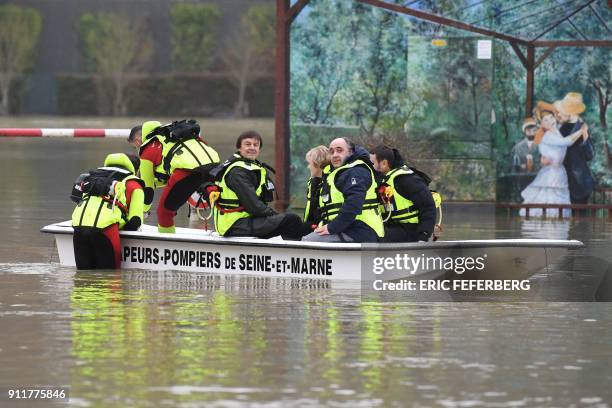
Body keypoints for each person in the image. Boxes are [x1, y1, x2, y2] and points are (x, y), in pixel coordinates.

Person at [213, 130, 303, 240]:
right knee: (291, 220)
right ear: (239, 148)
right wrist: (276, 215)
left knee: (298, 223)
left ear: (259, 149)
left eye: (256, 145)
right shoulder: (237, 172)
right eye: (247, 144)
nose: (252, 147)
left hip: (246, 219)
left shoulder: (249, 167)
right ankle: (292, 256)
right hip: (234, 225)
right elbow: (254, 206)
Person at [139, 119, 220, 233]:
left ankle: (168, 245)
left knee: (164, 213)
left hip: (187, 172)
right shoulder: (173, 138)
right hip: (214, 166)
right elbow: (166, 180)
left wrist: (142, 213)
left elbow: (147, 190)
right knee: (222, 201)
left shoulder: (148, 150)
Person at [302, 137, 384, 243]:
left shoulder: (356, 171)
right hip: (347, 229)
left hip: (361, 231)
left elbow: (353, 205)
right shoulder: (337, 173)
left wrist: (331, 227)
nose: (335, 154)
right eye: (331, 152)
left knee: (308, 242)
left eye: (339, 150)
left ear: (350, 152)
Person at [71, 153, 145, 270]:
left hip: (78, 228)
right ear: (135, 169)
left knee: (82, 279)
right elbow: (135, 221)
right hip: (106, 231)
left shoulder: (91, 178)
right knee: (109, 279)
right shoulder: (134, 184)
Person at [520, 110, 588, 217]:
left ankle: (558, 229)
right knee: (549, 200)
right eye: (545, 120)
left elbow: (569, 123)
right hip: (550, 173)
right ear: (541, 124)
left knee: (560, 201)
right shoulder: (547, 136)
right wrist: (581, 131)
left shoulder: (556, 131)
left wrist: (579, 122)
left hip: (559, 171)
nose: (550, 121)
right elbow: (567, 142)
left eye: (551, 117)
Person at [370, 145, 436, 242]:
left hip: (410, 230)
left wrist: (423, 236)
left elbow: (428, 207)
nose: (370, 166)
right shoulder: (380, 180)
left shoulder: (407, 180)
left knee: (375, 238)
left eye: (372, 163)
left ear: (384, 163)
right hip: (391, 226)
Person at [555, 92, 595, 206]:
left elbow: (590, 155)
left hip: (578, 181)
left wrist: (585, 135)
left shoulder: (582, 127)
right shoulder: (562, 128)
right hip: (563, 179)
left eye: (561, 110)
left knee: (578, 217)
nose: (558, 114)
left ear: (569, 111)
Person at [302, 145, 330, 235]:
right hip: (312, 227)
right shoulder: (314, 183)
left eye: (309, 163)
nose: (308, 167)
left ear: (318, 164)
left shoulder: (330, 184)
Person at [511, 118, 541, 186]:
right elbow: (514, 166)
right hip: (523, 180)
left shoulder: (542, 145)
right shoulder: (517, 147)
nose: (531, 132)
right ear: (524, 131)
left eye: (534, 130)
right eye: (528, 130)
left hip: (539, 179)